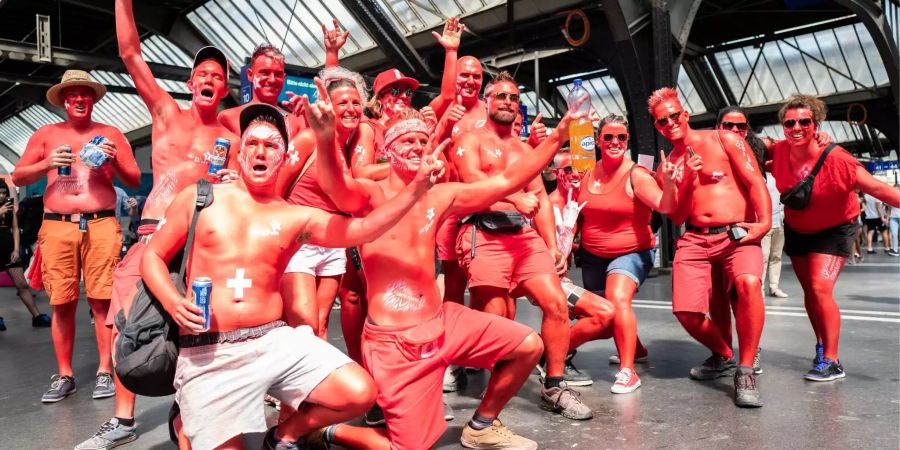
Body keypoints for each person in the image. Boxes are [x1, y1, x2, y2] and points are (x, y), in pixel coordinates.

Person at [140, 103, 441, 450]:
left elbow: (363, 229)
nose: (260, 151)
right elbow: (153, 256)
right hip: (209, 348)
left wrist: (416, 190)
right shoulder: (201, 198)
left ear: (283, 159)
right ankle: (188, 417)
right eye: (253, 143)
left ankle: (284, 433)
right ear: (240, 153)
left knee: (358, 391)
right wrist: (172, 301)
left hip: (272, 340)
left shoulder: (295, 216)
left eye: (271, 146)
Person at [305, 77, 582, 448]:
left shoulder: (440, 195)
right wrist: (325, 139)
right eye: (407, 141)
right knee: (408, 448)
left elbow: (507, 180)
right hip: (395, 342)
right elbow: (335, 186)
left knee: (528, 345)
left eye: (423, 141)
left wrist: (557, 137)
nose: (418, 147)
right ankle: (325, 432)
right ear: (387, 149)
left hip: (443, 323)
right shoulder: (370, 195)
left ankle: (481, 427)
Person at [73, 2, 240, 448]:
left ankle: (187, 411)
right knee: (128, 326)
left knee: (195, 330)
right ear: (191, 83)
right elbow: (130, 52)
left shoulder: (232, 138)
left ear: (224, 89)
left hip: (198, 244)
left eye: (218, 76)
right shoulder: (166, 112)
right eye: (202, 73)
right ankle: (123, 421)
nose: (209, 79)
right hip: (150, 236)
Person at [451, 71, 593, 420]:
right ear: (487, 101)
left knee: (557, 303)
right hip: (482, 232)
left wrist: (552, 245)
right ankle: (494, 381)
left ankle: (554, 384)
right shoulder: (469, 139)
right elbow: (472, 181)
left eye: (513, 98)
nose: (507, 102)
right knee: (496, 316)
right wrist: (514, 198)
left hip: (523, 237)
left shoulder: (524, 148)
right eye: (500, 96)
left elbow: (541, 199)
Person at [13, 70, 141, 404]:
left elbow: (133, 178)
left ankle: (104, 371)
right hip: (57, 224)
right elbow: (17, 174)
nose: (79, 99)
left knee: (102, 302)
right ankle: (65, 374)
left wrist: (112, 161)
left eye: (85, 93)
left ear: (93, 99)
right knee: (62, 302)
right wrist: (46, 163)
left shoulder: (110, 133)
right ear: (64, 101)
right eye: (73, 94)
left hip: (100, 223)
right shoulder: (46, 134)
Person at [648, 87, 770, 408]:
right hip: (695, 237)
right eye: (663, 121)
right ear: (657, 127)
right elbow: (675, 214)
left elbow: (756, 181)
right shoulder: (667, 165)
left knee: (748, 284)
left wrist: (764, 222)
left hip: (736, 232)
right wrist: (680, 180)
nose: (670, 123)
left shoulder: (724, 138)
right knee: (686, 311)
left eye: (675, 115)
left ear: (685, 114)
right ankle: (726, 355)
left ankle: (745, 371)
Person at [769, 94, 899, 381]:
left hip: (835, 229)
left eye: (805, 121)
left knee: (819, 288)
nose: (797, 127)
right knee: (811, 295)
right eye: (790, 122)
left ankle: (832, 359)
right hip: (797, 229)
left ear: (816, 124)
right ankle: (821, 347)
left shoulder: (837, 158)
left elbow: (881, 190)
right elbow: (742, 150)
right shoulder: (778, 152)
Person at [576, 115, 677, 393]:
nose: (615, 142)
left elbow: (665, 206)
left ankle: (628, 370)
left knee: (617, 299)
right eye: (608, 137)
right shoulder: (586, 172)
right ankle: (638, 348)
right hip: (592, 254)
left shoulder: (637, 174)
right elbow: (575, 213)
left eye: (621, 137)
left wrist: (668, 183)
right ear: (598, 140)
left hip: (631, 251)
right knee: (601, 315)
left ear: (627, 140)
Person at [0, 183, 50, 331]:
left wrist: (16, 249)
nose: (2, 196)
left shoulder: (9, 208)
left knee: (22, 284)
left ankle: (37, 316)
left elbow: (15, 228)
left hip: (8, 248)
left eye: (4, 193)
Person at [761, 173, 788, 297]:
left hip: (780, 221)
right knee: (763, 256)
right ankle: (760, 287)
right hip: (765, 222)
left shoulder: (781, 176)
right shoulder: (761, 176)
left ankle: (774, 286)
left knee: (776, 256)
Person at [888, 189, 900, 256]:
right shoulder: (890, 197)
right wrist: (887, 218)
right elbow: (889, 209)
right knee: (894, 234)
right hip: (893, 218)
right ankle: (895, 250)